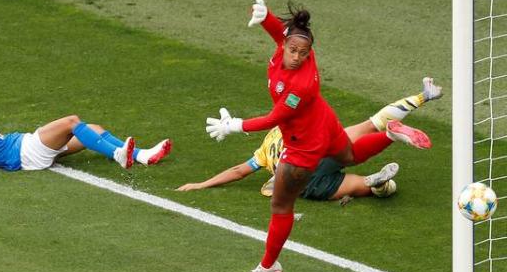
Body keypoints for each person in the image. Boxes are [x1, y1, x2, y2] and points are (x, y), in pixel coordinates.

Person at [204, 0, 433, 272]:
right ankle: (390, 134)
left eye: (304, 53)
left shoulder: (302, 85)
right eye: (294, 50)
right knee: (349, 156)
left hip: (303, 145)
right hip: (325, 122)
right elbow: (281, 35)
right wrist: (266, 19)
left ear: (309, 53)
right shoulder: (285, 50)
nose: (298, 56)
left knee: (281, 205)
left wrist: (234, 125)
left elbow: (275, 116)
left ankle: (268, 265)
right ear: (287, 46)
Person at [181, 79, 442, 203]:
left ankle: (379, 183)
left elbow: (238, 172)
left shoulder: (262, 154)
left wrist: (202, 184)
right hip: (322, 142)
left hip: (307, 178)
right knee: (371, 123)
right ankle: (422, 96)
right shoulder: (287, 126)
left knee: (361, 186)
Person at [0, 94, 172, 183]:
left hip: (29, 151)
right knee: (72, 122)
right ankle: (119, 155)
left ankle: (142, 155)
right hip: (27, 152)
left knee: (93, 129)